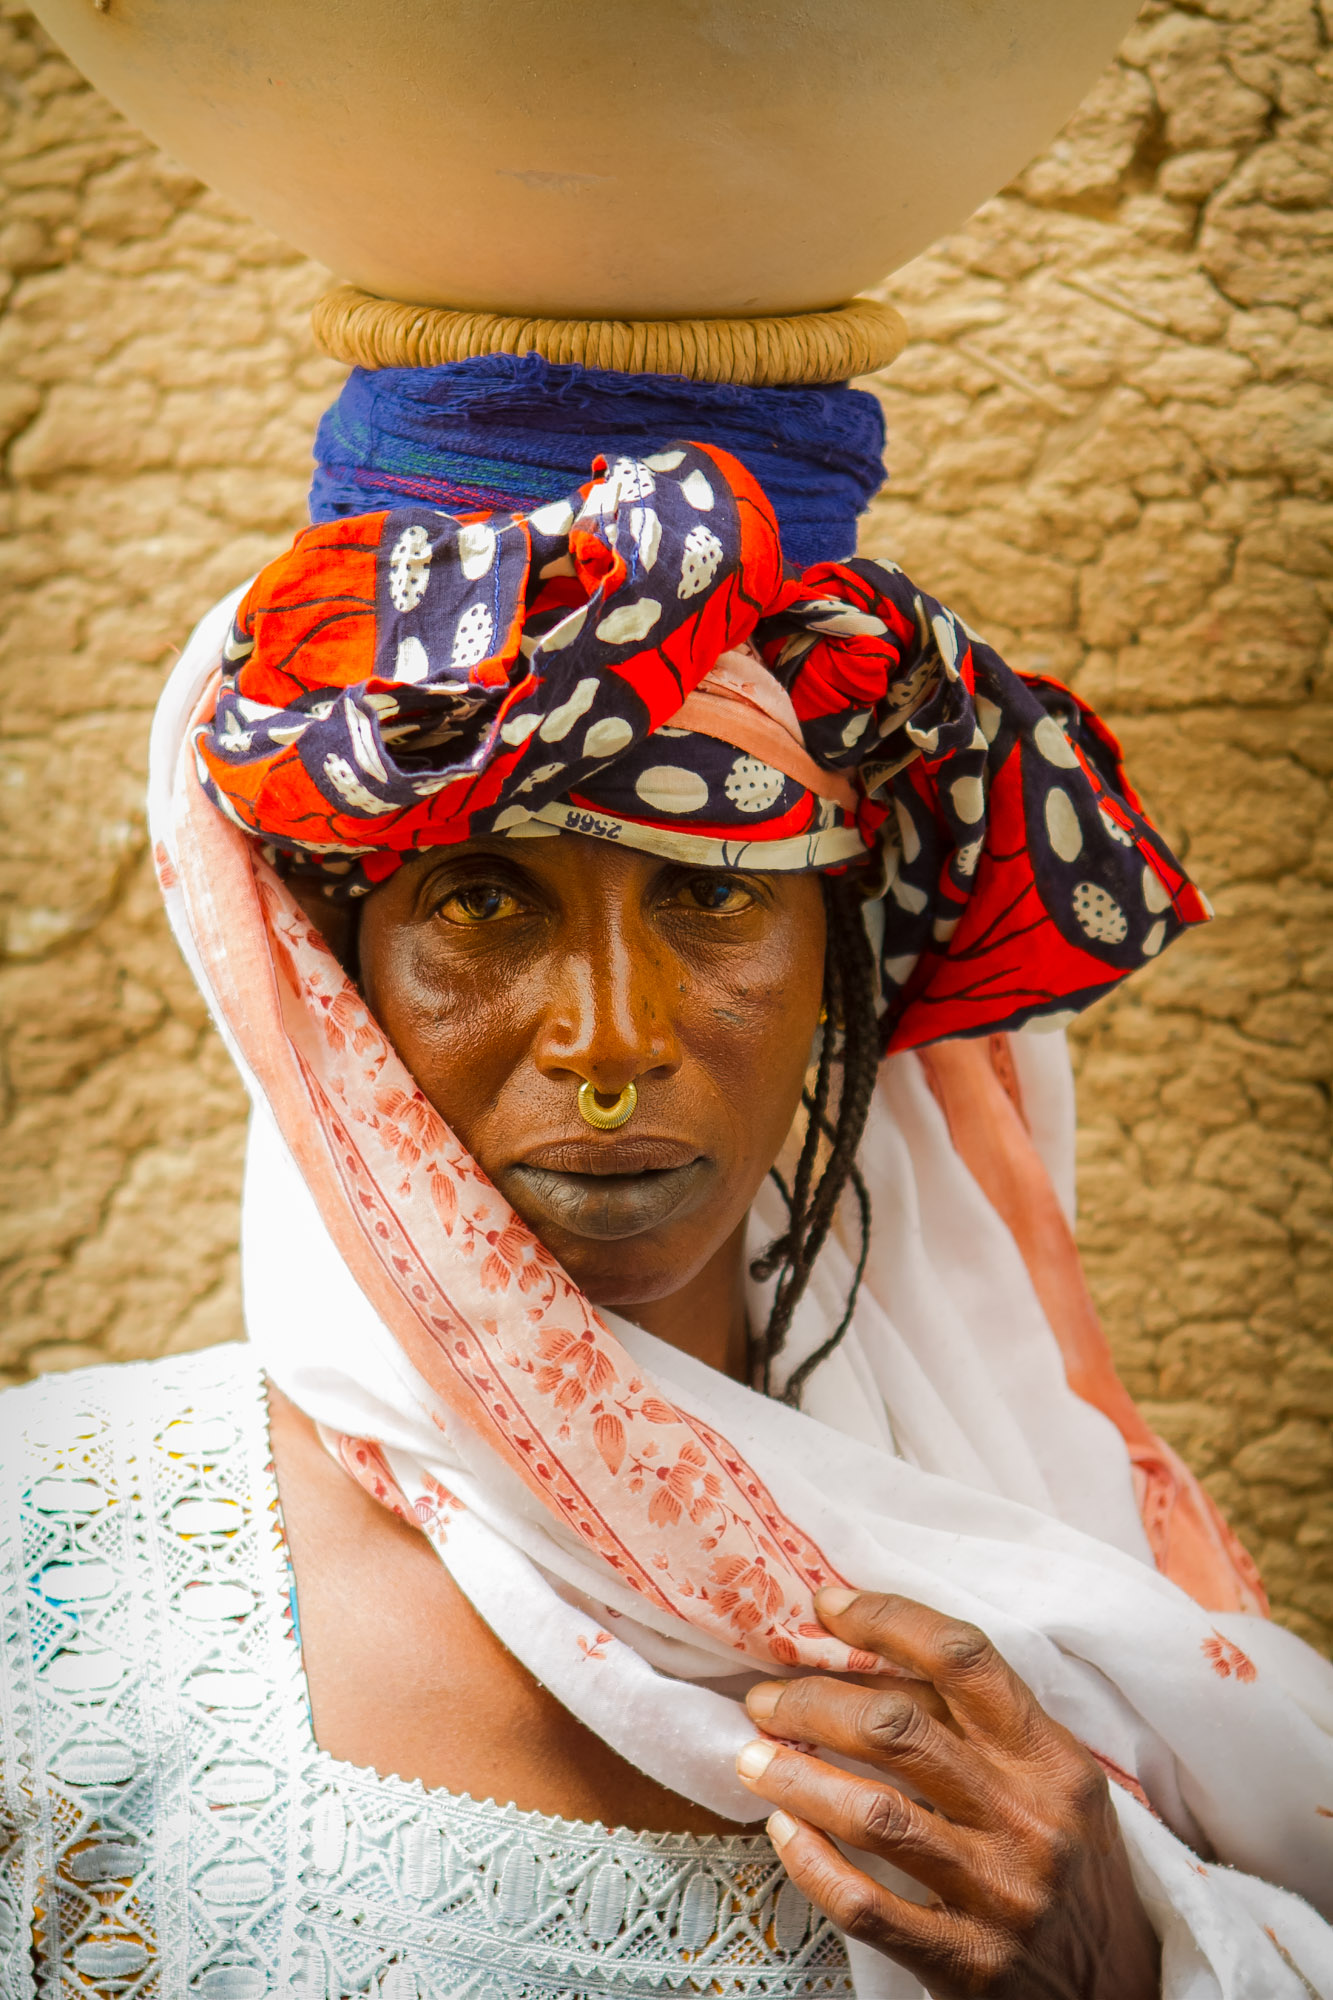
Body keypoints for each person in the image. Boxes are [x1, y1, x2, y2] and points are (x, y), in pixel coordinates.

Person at [2, 355, 1330, 2000]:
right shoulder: (54, 1573)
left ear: (839, 959)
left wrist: (1126, 1958)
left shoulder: (1068, 1606)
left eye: (712, 897)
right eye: (484, 902)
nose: (611, 1041)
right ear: (337, 985)